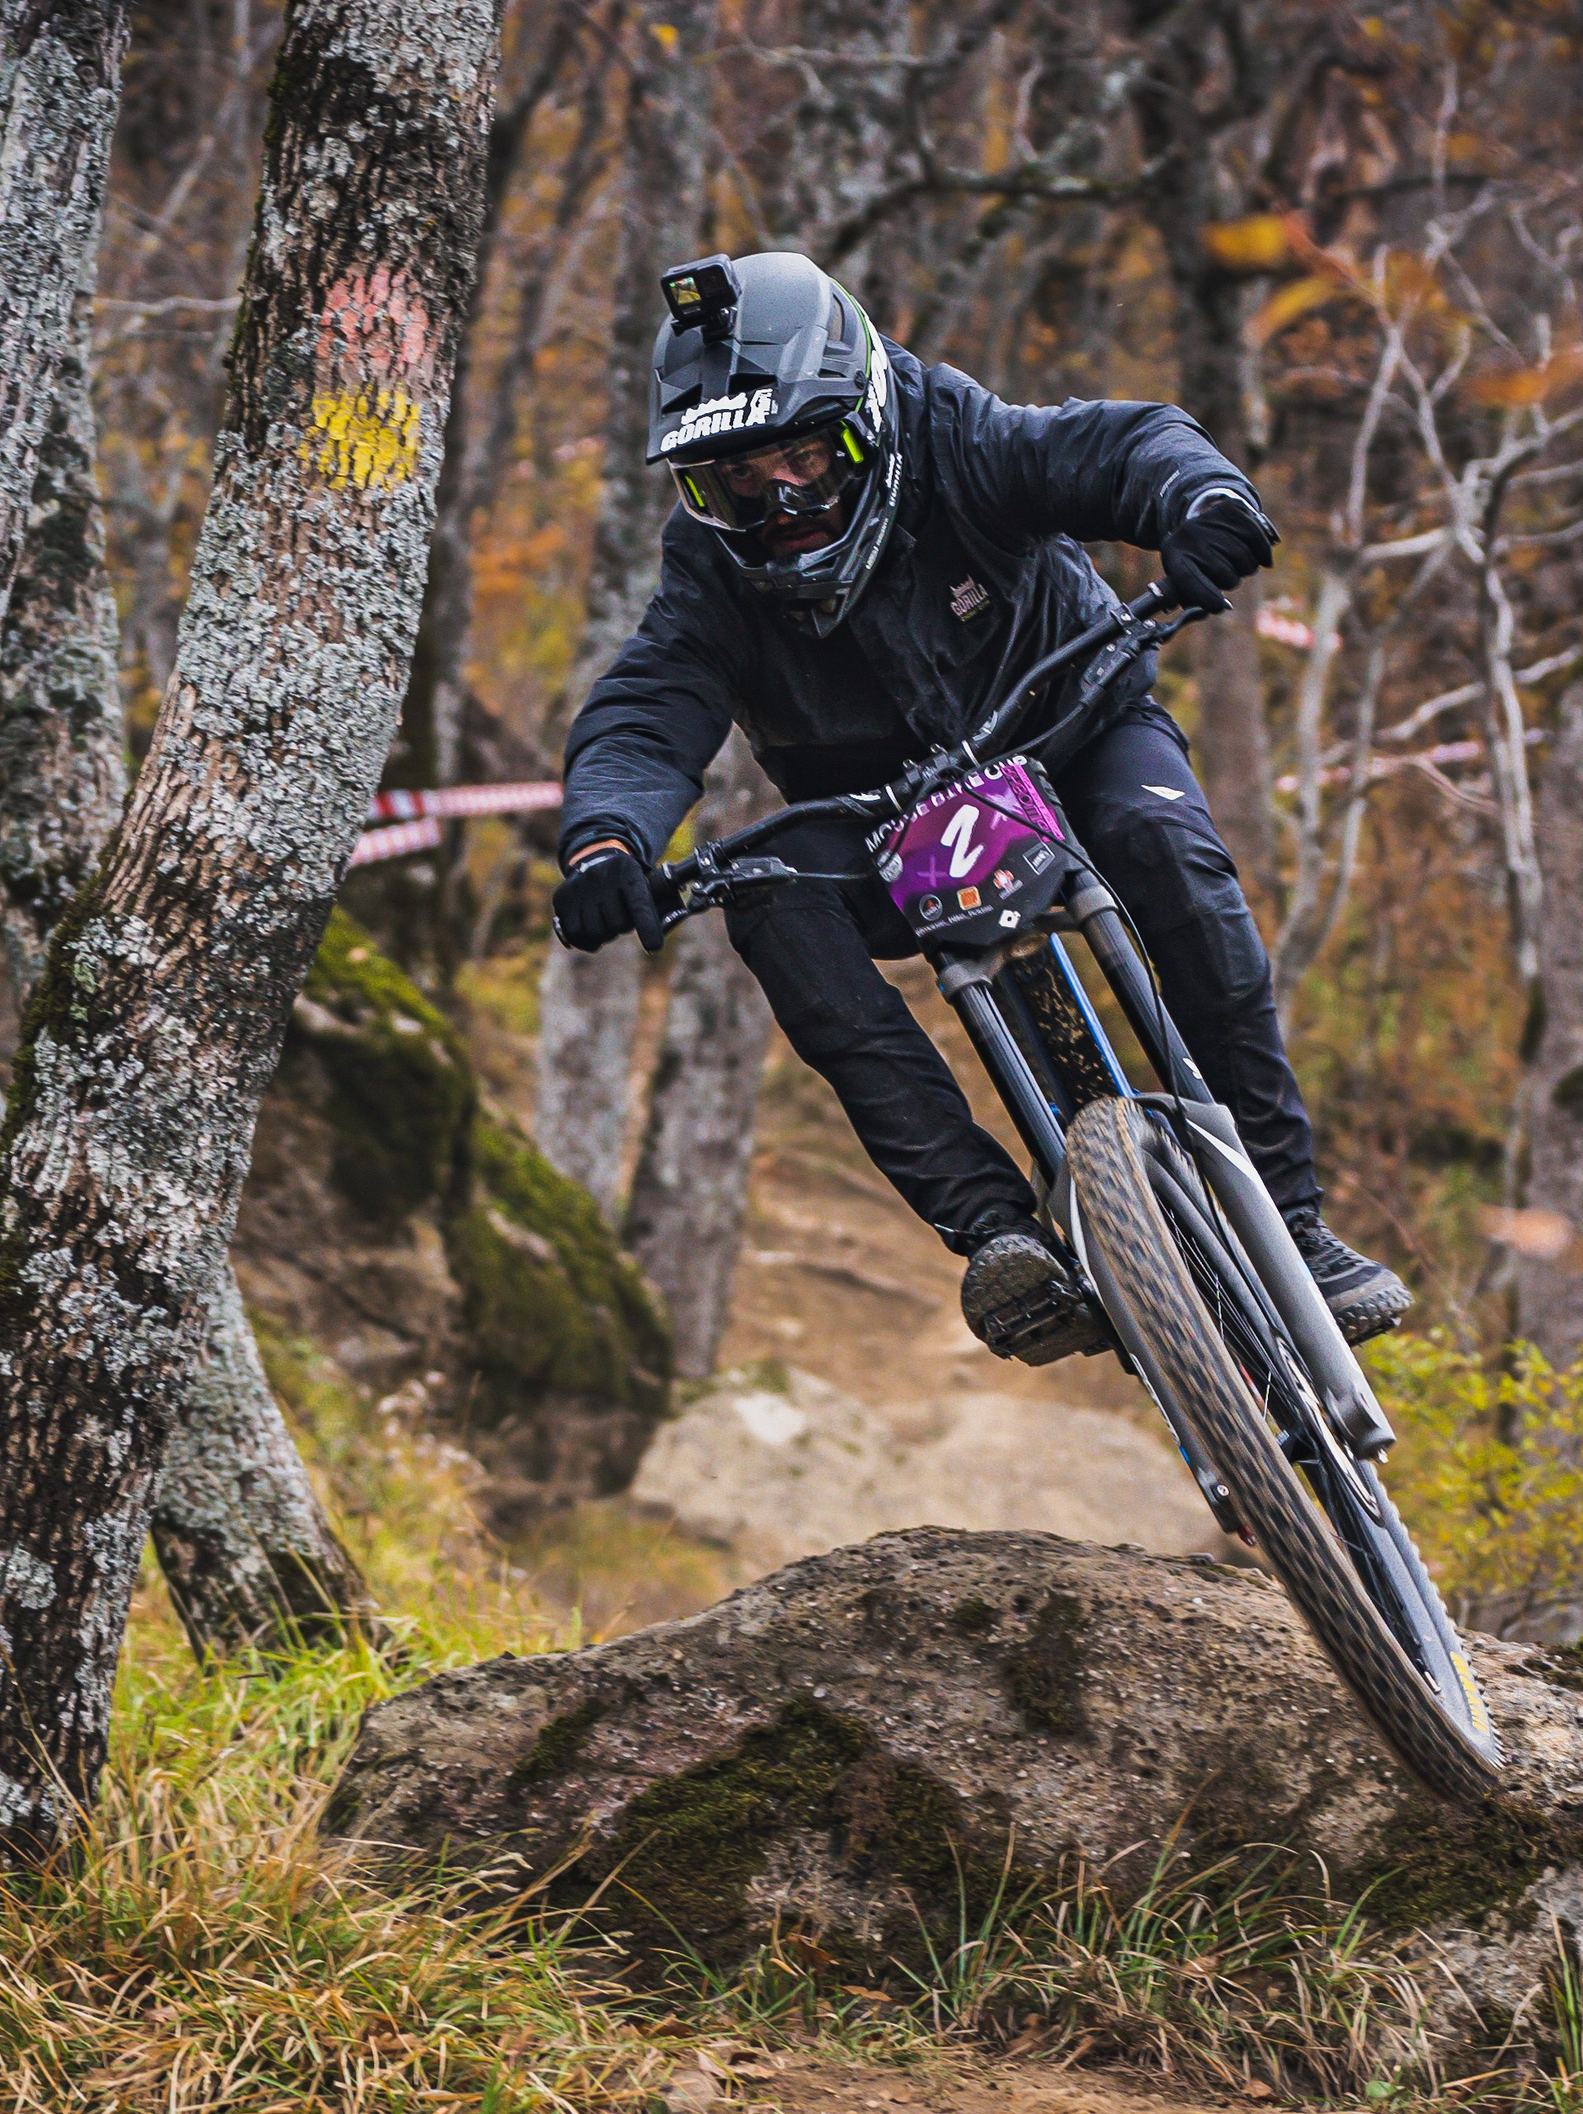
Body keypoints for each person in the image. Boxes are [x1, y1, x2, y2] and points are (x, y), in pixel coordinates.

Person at [550, 247, 1407, 1362]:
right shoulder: (711, 569)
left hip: (1071, 731)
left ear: (865, 415)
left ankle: (1293, 1221)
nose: (783, 502)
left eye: (804, 455)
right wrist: (606, 838)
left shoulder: (954, 435)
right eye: (738, 483)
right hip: (875, 820)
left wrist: (1199, 499)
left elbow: (1120, 445)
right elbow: (648, 703)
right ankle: (1000, 1238)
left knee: (1162, 848)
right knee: (770, 904)